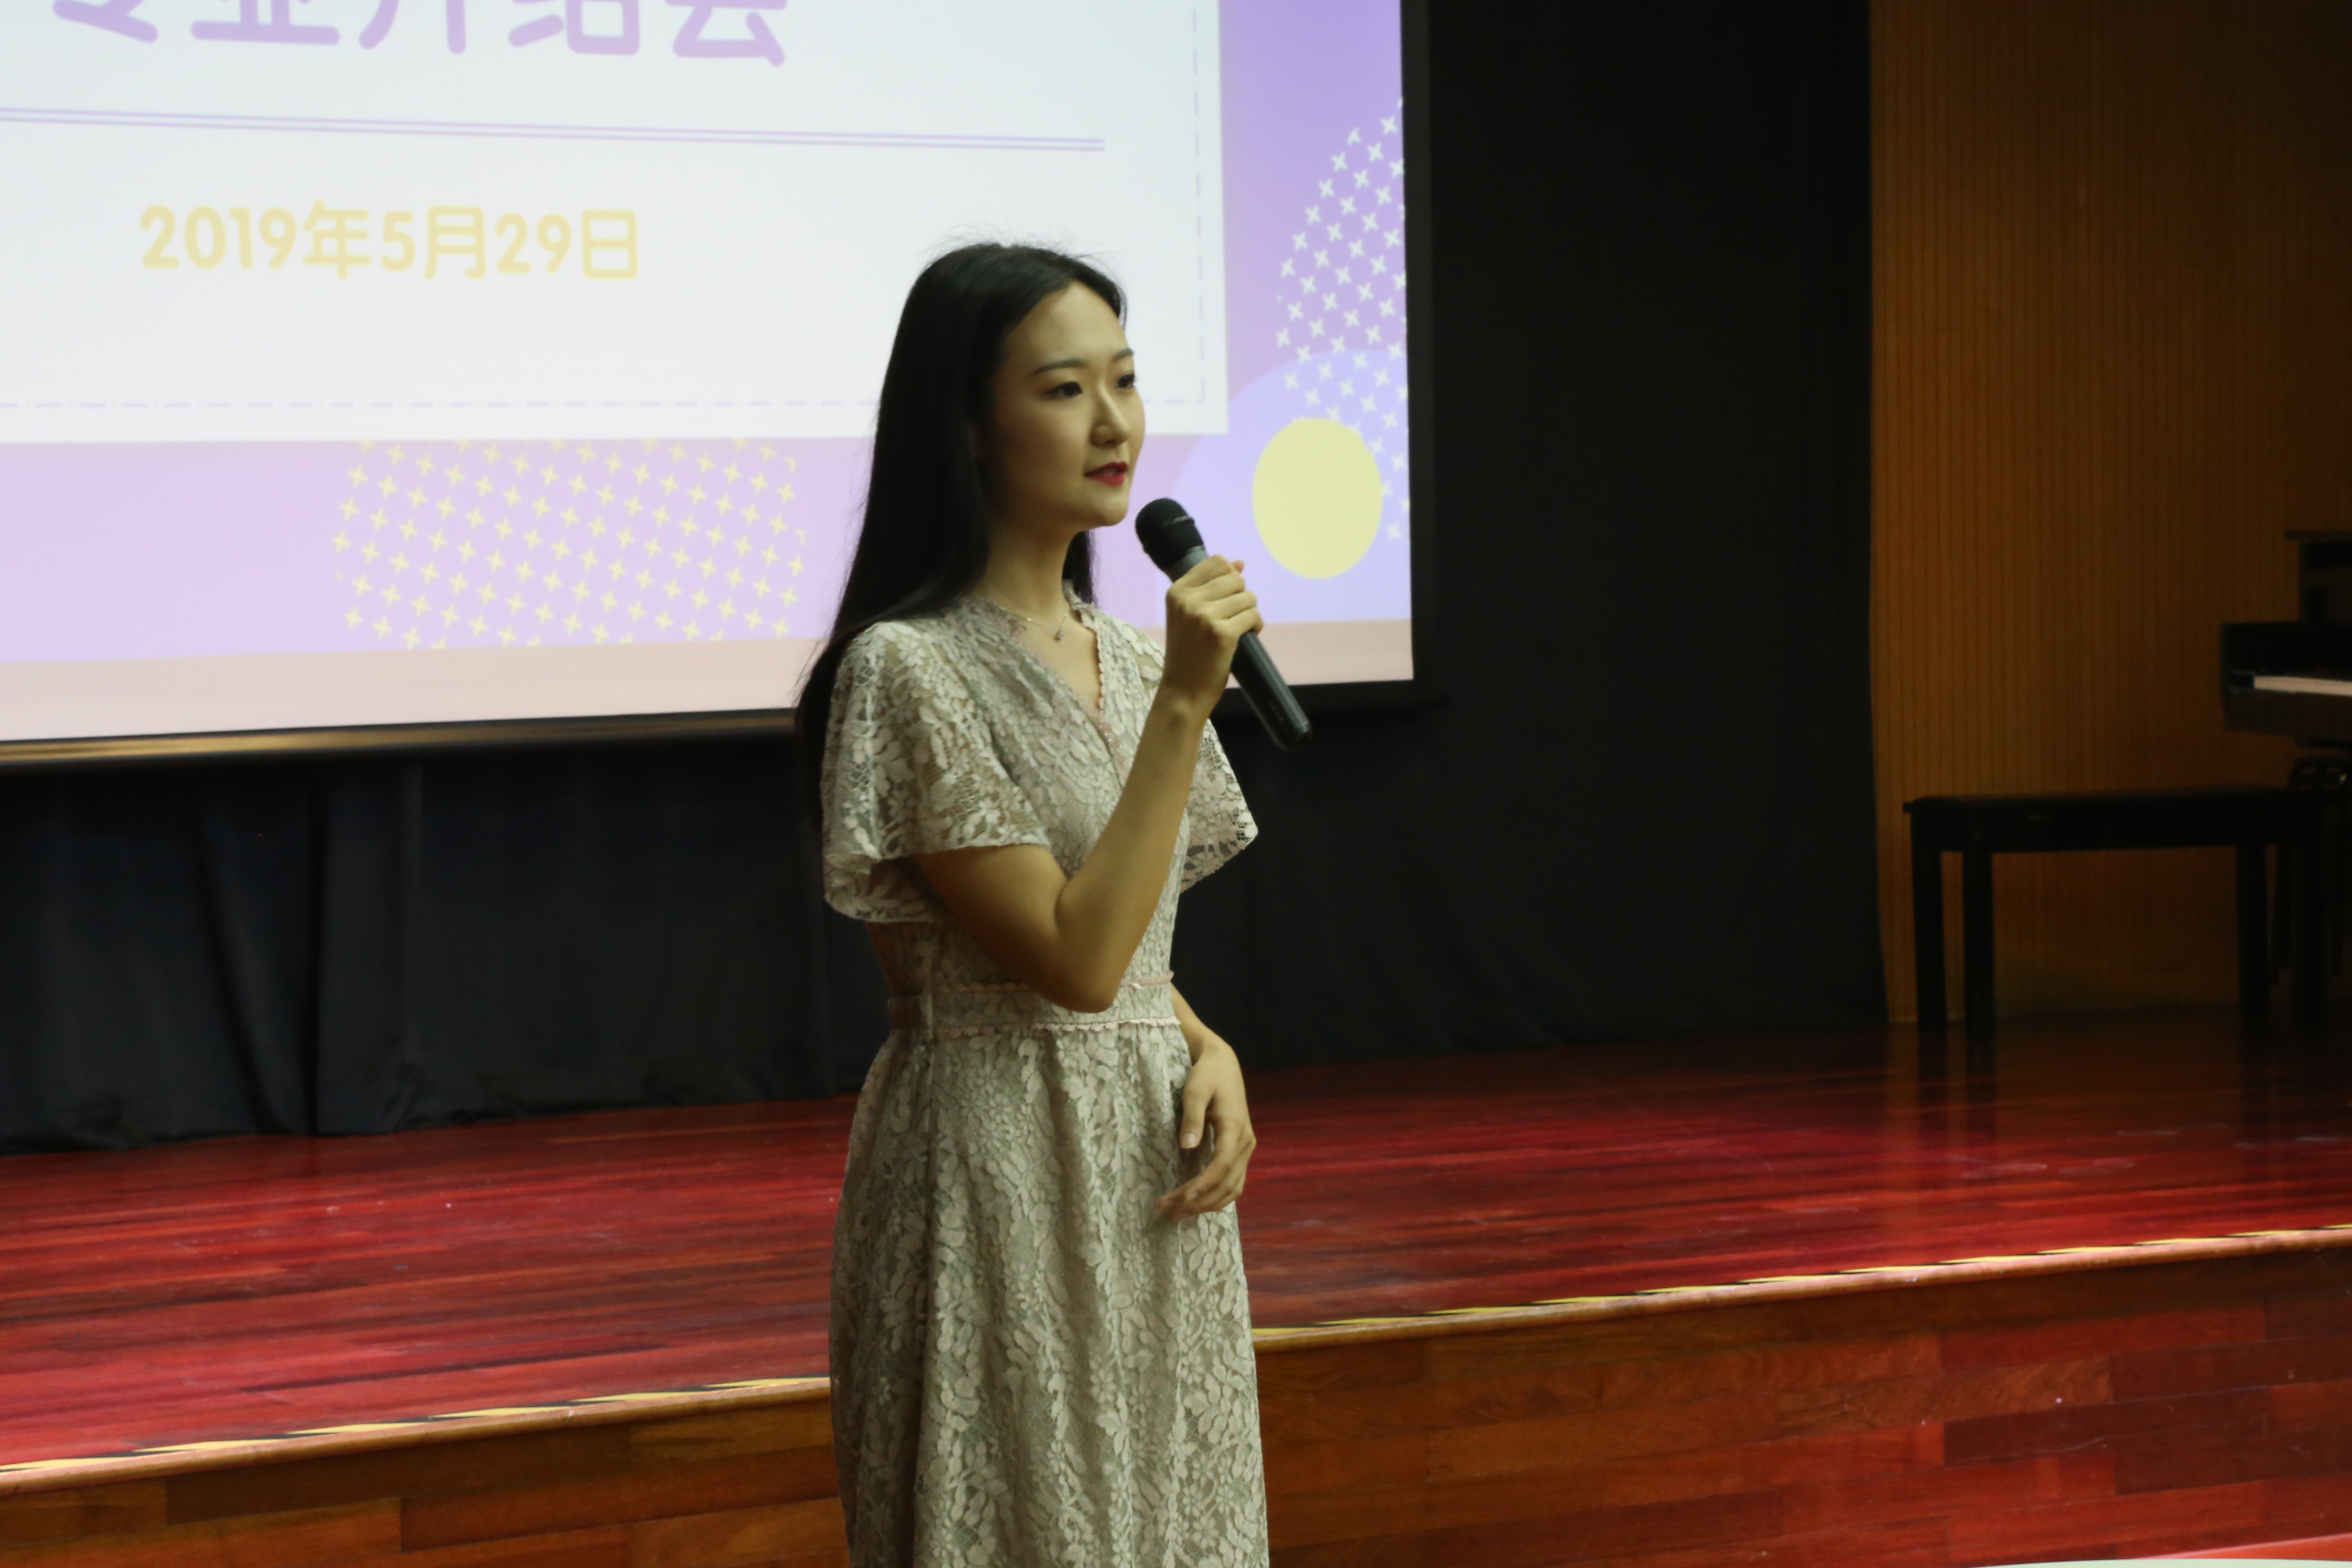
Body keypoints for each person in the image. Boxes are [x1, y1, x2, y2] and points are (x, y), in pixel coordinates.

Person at [802, 242, 1271, 1567]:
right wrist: (1183, 703)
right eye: (1066, 390)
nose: (1114, 422)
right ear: (966, 425)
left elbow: (1131, 955)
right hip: (996, 1161)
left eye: (1125, 380)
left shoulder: (1128, 652)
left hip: (1147, 1169)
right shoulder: (910, 669)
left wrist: (1201, 1039)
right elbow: (1071, 957)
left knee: (1173, 1520)